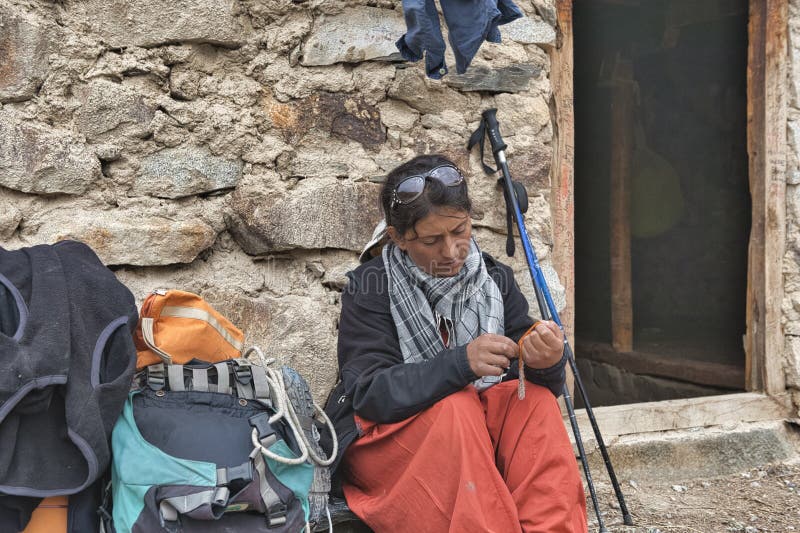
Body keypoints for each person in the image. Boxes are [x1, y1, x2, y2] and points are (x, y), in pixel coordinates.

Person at [324, 154, 588, 532]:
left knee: (537, 405)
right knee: (456, 406)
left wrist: (545, 359)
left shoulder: (494, 279)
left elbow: (528, 377)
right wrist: (461, 362)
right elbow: (370, 392)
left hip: (476, 433)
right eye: (432, 240)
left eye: (460, 231)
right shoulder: (371, 286)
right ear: (398, 238)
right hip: (391, 444)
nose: (451, 252)